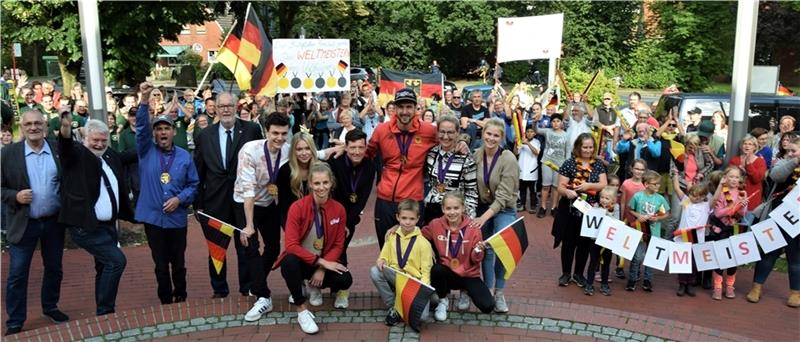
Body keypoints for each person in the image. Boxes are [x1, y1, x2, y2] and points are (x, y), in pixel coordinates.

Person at [57, 116, 133, 316]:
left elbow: (131, 154)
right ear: (85, 139)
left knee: (104, 266)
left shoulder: (109, 157)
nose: (99, 144)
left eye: (103, 140)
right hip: (87, 226)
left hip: (109, 226)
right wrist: (65, 127)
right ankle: (106, 312)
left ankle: (102, 312)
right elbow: (65, 147)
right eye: (95, 140)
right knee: (116, 261)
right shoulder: (78, 156)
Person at [1, 110, 67, 336]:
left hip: (54, 222)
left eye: (38, 123)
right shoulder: (8, 153)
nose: (33, 127)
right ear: (22, 127)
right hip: (24, 222)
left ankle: (50, 306)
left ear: (46, 126)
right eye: (28, 124)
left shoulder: (58, 150)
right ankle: (15, 319)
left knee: (54, 268)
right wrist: (14, 196)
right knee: (18, 273)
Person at [135, 82, 199, 305]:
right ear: (155, 133)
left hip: (177, 218)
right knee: (160, 262)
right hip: (153, 218)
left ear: (173, 131)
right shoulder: (145, 150)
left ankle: (180, 293)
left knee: (178, 261)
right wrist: (144, 100)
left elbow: (193, 184)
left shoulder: (184, 157)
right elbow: (141, 127)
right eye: (159, 129)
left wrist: (179, 199)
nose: (163, 132)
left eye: (166, 128)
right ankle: (164, 296)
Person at [194, 92, 263, 299]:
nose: (225, 109)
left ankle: (248, 287)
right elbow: (199, 171)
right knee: (216, 248)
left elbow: (260, 161)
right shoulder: (204, 136)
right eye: (221, 106)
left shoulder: (251, 129)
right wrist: (197, 204)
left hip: (244, 201)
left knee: (247, 245)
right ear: (215, 107)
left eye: (229, 106)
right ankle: (219, 289)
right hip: (215, 202)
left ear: (236, 106)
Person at [276, 162, 353, 334]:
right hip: (302, 261)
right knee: (289, 262)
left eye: (325, 183)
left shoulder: (339, 209)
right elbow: (291, 245)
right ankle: (301, 308)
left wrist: (321, 269)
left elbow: (339, 245)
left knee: (345, 279)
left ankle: (314, 285)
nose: (321, 187)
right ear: (310, 184)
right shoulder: (297, 207)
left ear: (331, 183)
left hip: (320, 263)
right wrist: (321, 262)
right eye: (317, 183)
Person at [366, 88, 438, 249]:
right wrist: (345, 148)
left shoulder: (428, 131)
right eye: (401, 107)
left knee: (410, 251)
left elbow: (449, 139)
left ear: (415, 108)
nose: (405, 111)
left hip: (412, 200)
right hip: (385, 200)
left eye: (409, 107)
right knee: (386, 249)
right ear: (395, 108)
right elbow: (366, 154)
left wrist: (462, 141)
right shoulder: (381, 130)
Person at [469, 118, 519, 313]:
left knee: (502, 247)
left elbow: (504, 196)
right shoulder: (475, 155)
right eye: (488, 134)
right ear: (483, 134)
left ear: (501, 138)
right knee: (485, 249)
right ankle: (488, 291)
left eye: (495, 135)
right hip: (482, 206)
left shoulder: (508, 159)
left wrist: (483, 218)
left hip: (504, 207)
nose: (491, 138)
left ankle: (500, 292)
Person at [747, 136, 800, 307]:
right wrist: (794, 161)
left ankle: (795, 293)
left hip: (797, 220)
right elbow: (776, 176)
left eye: (794, 150)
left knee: (795, 256)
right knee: (768, 251)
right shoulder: (783, 163)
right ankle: (756, 287)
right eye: (788, 150)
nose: (789, 153)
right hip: (777, 215)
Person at [423, 192, 493, 321]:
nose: (452, 212)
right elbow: (419, 235)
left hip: (469, 274)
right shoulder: (435, 224)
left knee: (487, 306)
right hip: (448, 273)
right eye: (448, 208)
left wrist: (478, 250)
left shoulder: (473, 228)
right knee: (437, 270)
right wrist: (396, 228)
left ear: (463, 208)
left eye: (456, 208)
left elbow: (476, 260)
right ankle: (443, 301)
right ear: (443, 209)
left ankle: (465, 291)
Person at [554, 133, 608, 288]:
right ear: (578, 147)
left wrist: (587, 186)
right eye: (585, 147)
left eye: (591, 147)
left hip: (590, 211)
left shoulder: (598, 164)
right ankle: (566, 273)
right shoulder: (569, 163)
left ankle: (579, 274)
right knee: (569, 243)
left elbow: (603, 184)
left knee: (584, 243)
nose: (588, 150)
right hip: (571, 208)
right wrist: (567, 192)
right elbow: (560, 187)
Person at [370, 199, 434, 327]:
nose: (407, 222)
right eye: (404, 218)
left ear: (417, 219)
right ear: (397, 217)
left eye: (411, 219)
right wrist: (382, 260)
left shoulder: (424, 243)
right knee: (375, 271)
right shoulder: (392, 236)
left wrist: (423, 291)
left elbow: (426, 270)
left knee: (423, 318)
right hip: (396, 276)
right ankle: (394, 306)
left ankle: (430, 299)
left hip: (413, 282)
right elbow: (384, 255)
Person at [328, 129, 376, 265]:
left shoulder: (369, 166)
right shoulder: (335, 162)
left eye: (361, 147)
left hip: (350, 219)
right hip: (332, 217)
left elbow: (363, 198)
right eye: (353, 147)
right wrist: (338, 221)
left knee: (342, 250)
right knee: (332, 251)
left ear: (366, 148)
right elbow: (330, 194)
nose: (357, 152)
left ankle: (339, 283)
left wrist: (347, 222)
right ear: (346, 147)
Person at [423, 115, 478, 224]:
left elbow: (471, 192)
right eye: (442, 132)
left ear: (458, 133)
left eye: (450, 132)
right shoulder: (431, 154)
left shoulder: (466, 159)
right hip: (432, 209)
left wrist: (469, 220)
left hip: (455, 212)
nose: (445, 136)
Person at [625, 170, 669, 292]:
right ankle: (632, 279)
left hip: (654, 232)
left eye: (658, 184)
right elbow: (630, 209)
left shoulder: (660, 198)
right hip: (640, 232)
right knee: (638, 256)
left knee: (651, 257)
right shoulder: (638, 196)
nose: (657, 186)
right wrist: (638, 215)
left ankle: (648, 280)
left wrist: (658, 218)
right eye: (654, 184)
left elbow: (667, 213)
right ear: (646, 184)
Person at [709, 166, 748, 300]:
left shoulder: (742, 193)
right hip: (721, 230)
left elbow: (742, 214)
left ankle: (730, 286)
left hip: (735, 230)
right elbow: (717, 213)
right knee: (720, 258)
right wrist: (731, 208)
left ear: (740, 179)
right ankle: (717, 287)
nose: (734, 179)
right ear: (725, 178)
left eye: (737, 177)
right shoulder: (721, 193)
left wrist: (742, 206)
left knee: (733, 259)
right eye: (731, 176)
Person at [671, 177, 713, 298]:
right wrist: (675, 176)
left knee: (693, 263)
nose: (696, 198)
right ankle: (682, 284)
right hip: (683, 238)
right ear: (690, 194)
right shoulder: (686, 202)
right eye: (694, 195)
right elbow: (677, 188)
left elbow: (715, 198)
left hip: (697, 240)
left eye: (700, 196)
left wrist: (721, 185)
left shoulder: (706, 206)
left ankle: (690, 284)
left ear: (704, 196)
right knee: (682, 261)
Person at [585, 186, 619, 296]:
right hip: (595, 239)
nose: (604, 200)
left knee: (606, 262)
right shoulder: (595, 206)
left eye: (607, 198)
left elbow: (617, 222)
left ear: (613, 200)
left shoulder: (616, 208)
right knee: (593, 261)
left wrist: (608, 215)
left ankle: (604, 284)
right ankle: (589, 283)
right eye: (602, 197)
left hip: (608, 241)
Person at [537, 114, 568, 218]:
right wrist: (534, 121)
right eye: (553, 121)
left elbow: (567, 152)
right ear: (551, 122)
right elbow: (536, 130)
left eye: (558, 121)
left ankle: (554, 207)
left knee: (555, 187)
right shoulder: (548, 131)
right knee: (545, 186)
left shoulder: (566, 135)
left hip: (559, 164)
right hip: (547, 162)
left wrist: (565, 165)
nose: (556, 123)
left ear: (561, 123)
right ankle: (543, 207)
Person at [728, 136, 766, 211]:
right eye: (745, 143)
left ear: (755, 147)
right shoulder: (735, 160)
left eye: (750, 144)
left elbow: (756, 179)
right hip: (735, 197)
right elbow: (728, 178)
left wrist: (748, 165)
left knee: (747, 221)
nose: (747, 146)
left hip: (751, 198)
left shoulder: (760, 161)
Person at [517, 126, 540, 214]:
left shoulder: (536, 142)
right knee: (522, 189)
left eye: (531, 132)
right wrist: (516, 143)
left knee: (532, 191)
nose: (529, 133)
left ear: (534, 133)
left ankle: (533, 206)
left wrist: (528, 144)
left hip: (532, 171)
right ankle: (522, 205)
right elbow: (516, 152)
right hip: (522, 170)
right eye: (528, 132)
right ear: (525, 133)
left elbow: (536, 152)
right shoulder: (521, 141)